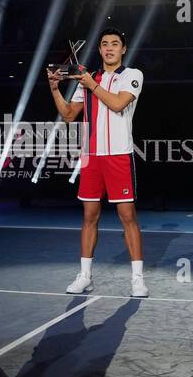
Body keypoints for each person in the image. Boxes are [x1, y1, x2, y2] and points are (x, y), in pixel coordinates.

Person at [47, 30, 147, 297]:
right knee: (89, 216)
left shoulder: (132, 75)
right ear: (100, 50)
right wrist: (55, 88)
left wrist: (91, 84)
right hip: (91, 157)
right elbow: (68, 115)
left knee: (128, 217)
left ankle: (137, 279)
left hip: (118, 155)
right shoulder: (88, 80)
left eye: (115, 44)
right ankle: (85, 276)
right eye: (104, 44)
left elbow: (117, 104)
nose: (109, 48)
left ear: (123, 49)